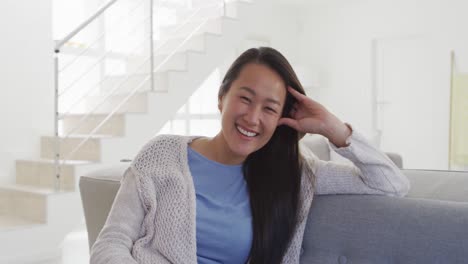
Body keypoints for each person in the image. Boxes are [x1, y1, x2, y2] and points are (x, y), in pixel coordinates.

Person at [90, 47, 410, 264]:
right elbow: (111, 242)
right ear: (221, 98)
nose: (253, 118)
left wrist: (334, 128)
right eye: (245, 99)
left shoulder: (296, 175)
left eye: (269, 108)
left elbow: (391, 184)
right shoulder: (161, 155)